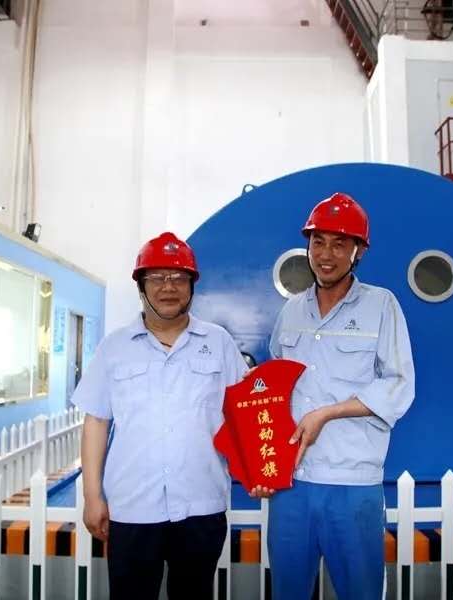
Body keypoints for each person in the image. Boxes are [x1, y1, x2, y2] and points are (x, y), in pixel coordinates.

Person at [254, 193, 416, 599]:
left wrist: (328, 413)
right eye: (318, 242)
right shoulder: (292, 311)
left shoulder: (382, 306)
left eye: (339, 244)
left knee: (360, 592)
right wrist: (262, 462)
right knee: (288, 592)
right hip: (292, 484)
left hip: (352, 485)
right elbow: (274, 388)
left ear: (359, 251)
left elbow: (399, 384)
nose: (326, 255)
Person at [72, 232, 247, 600]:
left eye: (179, 277)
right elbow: (96, 423)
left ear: (192, 285)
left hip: (201, 504)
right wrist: (92, 496)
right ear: (141, 286)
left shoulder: (218, 343)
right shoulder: (114, 348)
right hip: (132, 506)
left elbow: (244, 414)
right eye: (157, 278)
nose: (169, 287)